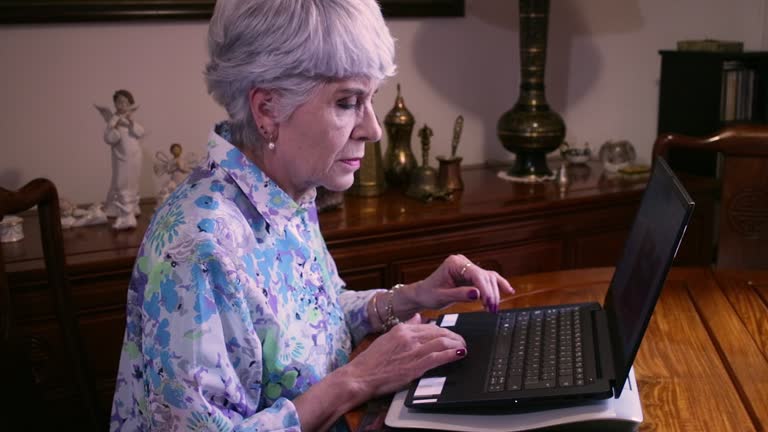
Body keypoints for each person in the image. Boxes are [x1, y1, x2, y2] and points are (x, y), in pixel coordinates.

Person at [109, 1, 514, 431]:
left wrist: (409, 297)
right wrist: (358, 379)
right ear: (267, 110)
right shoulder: (197, 246)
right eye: (347, 102)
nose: (373, 129)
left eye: (370, 99)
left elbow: (314, 319)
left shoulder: (285, 190)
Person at [99, 89, 145, 230]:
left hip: (134, 152)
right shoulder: (114, 120)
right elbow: (108, 137)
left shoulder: (130, 120)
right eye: (119, 102)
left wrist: (130, 122)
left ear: (130, 104)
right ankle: (117, 209)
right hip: (120, 154)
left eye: (125, 102)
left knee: (133, 179)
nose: (122, 105)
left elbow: (140, 132)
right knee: (120, 180)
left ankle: (132, 208)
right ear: (115, 103)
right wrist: (113, 122)